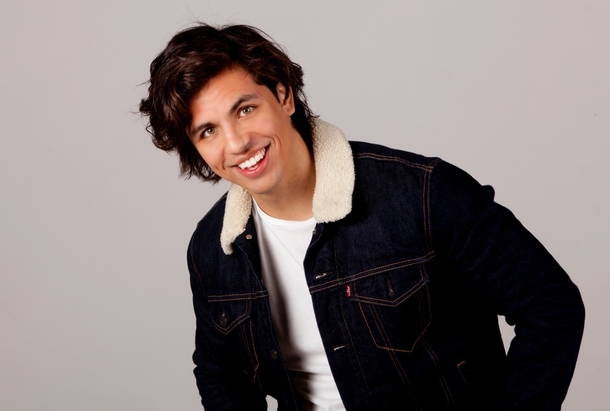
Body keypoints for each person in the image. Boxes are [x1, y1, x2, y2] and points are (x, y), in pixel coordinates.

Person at [139, 23, 585, 411]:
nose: (236, 143)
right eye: (208, 131)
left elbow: (550, 303)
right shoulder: (213, 250)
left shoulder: (422, 194)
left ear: (283, 95)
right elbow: (220, 375)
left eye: (245, 109)